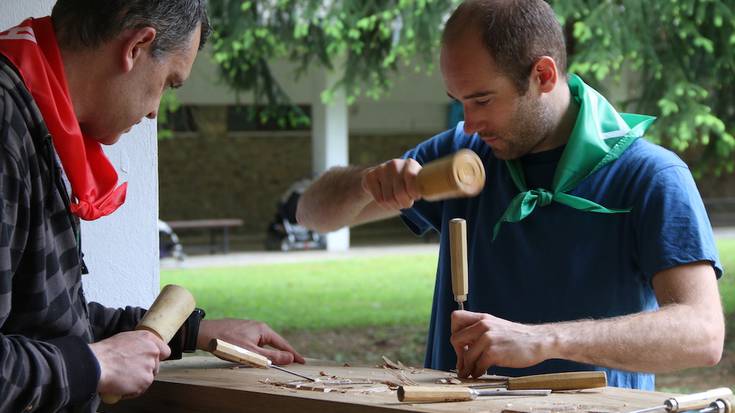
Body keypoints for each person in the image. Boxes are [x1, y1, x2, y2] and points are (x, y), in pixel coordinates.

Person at [296, 0, 725, 390]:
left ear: (543, 75)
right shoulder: (460, 157)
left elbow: (701, 334)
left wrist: (542, 340)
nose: (468, 122)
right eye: (458, 101)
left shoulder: (650, 175)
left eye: (482, 99)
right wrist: (366, 183)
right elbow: (312, 214)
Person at [0, 1, 303, 412]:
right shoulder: (6, 124)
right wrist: (94, 364)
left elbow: (44, 319)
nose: (154, 110)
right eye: (169, 82)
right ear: (137, 46)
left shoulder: (34, 115)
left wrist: (191, 331)